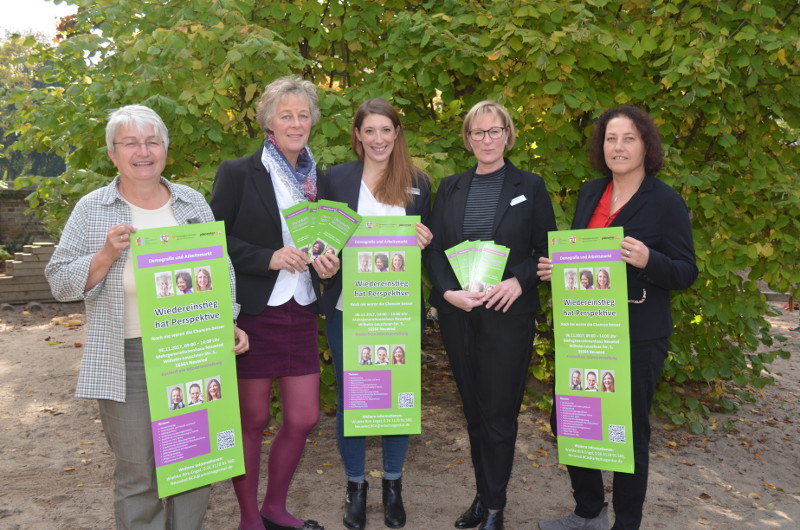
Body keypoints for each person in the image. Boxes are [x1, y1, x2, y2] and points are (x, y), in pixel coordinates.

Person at [45, 104, 249, 529]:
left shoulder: (190, 202)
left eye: (152, 141)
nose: (143, 151)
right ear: (113, 154)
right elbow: (59, 283)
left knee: (196, 462)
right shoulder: (93, 209)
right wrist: (105, 255)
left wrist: (228, 320)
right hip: (128, 358)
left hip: (194, 351)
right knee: (139, 473)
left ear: (165, 150)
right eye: (131, 143)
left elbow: (221, 270)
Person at [537, 105, 697, 530]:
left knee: (627, 431)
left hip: (638, 334)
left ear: (646, 145)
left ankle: (626, 523)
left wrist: (649, 260)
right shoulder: (591, 193)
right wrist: (559, 270)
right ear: (600, 146)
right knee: (569, 417)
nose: (619, 147)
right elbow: (584, 261)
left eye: (629, 138)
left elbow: (686, 271)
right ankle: (588, 510)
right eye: (611, 138)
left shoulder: (665, 201)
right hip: (586, 330)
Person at [210, 76, 339, 530]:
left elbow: (325, 239)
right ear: (268, 121)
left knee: (303, 416)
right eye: (286, 115)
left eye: (303, 115)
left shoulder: (320, 178)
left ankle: (274, 505)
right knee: (253, 417)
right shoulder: (237, 172)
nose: (296, 123)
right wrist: (268, 258)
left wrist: (327, 261)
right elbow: (217, 240)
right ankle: (250, 517)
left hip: (301, 306)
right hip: (253, 310)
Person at [423, 100, 557, 530]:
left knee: (499, 413)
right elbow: (436, 251)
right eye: (477, 133)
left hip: (508, 314)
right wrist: (446, 292)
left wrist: (519, 281)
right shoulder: (450, 188)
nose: (486, 140)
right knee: (475, 413)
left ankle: (495, 509)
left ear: (508, 134)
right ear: (467, 139)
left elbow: (546, 248)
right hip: (459, 314)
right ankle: (484, 497)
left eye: (494, 131)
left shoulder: (530, 186)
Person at [319, 97, 432, 530]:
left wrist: (425, 240)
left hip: (397, 311)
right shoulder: (337, 179)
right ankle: (355, 487)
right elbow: (324, 239)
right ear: (358, 135)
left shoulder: (418, 181)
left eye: (387, 129)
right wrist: (324, 259)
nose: (378, 138)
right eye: (370, 130)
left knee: (397, 398)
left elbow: (434, 247)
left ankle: (392, 485)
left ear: (397, 133)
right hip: (349, 309)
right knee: (353, 400)